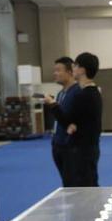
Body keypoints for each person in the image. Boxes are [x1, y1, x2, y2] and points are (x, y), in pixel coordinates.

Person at [44, 52, 103, 187]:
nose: (73, 69)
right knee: (80, 185)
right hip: (82, 149)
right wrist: (71, 125)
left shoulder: (84, 94)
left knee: (82, 187)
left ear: (82, 70)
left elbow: (68, 120)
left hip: (82, 151)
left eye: (75, 66)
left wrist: (53, 105)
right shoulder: (89, 93)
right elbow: (73, 121)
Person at [46, 57, 80, 186]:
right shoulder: (61, 93)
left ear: (70, 72)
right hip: (57, 143)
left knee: (72, 183)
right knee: (66, 182)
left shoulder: (77, 92)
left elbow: (71, 120)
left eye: (58, 70)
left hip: (70, 146)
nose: (55, 73)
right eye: (54, 70)